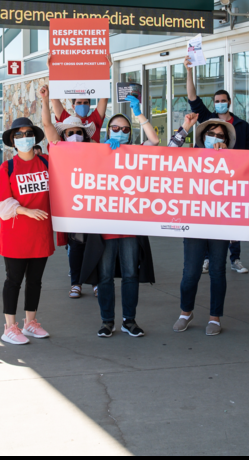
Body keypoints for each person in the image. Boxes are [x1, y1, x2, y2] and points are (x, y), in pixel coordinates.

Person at [79, 96, 158, 337]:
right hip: (105, 227)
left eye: (125, 129)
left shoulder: (137, 152)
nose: (120, 132)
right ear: (107, 131)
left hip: (131, 227)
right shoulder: (97, 152)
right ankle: (107, 321)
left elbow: (154, 140)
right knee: (104, 276)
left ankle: (129, 321)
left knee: (130, 274)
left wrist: (139, 113)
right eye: (115, 128)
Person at [185, 56, 249, 275]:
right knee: (209, 218)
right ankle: (207, 258)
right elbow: (192, 96)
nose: (219, 104)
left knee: (233, 220)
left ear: (229, 102)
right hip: (209, 181)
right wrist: (189, 70)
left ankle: (235, 258)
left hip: (233, 181)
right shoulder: (209, 119)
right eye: (216, 101)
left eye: (222, 100)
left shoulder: (242, 126)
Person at [171, 113, 235, 336]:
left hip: (220, 223)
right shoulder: (191, 156)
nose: (215, 137)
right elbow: (167, 154)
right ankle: (185, 313)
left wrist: (226, 155)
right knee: (190, 272)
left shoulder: (234, 160)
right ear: (203, 136)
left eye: (220, 135)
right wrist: (186, 127)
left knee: (217, 270)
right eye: (211, 133)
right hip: (194, 221)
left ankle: (215, 317)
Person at [0, 116, 54, 345]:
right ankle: (9, 327)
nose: (24, 138)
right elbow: (2, 204)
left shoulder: (47, 163)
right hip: (15, 235)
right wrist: (25, 210)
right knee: (14, 280)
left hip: (41, 234)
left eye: (28, 134)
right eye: (18, 135)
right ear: (12, 140)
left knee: (35, 281)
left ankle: (30, 322)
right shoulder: (7, 167)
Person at [40, 85, 97, 299]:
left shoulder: (94, 150)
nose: (74, 135)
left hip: (92, 203)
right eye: (70, 132)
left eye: (78, 132)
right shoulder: (58, 148)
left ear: (85, 134)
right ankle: (76, 282)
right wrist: (45, 100)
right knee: (76, 244)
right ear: (64, 135)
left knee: (95, 242)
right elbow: (47, 124)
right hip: (72, 204)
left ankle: (95, 281)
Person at [48, 53, 112, 143]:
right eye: (79, 103)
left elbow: (104, 98)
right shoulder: (66, 121)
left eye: (85, 103)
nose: (82, 105)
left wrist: (106, 71)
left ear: (89, 105)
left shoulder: (94, 120)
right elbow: (54, 99)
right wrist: (52, 69)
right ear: (73, 106)